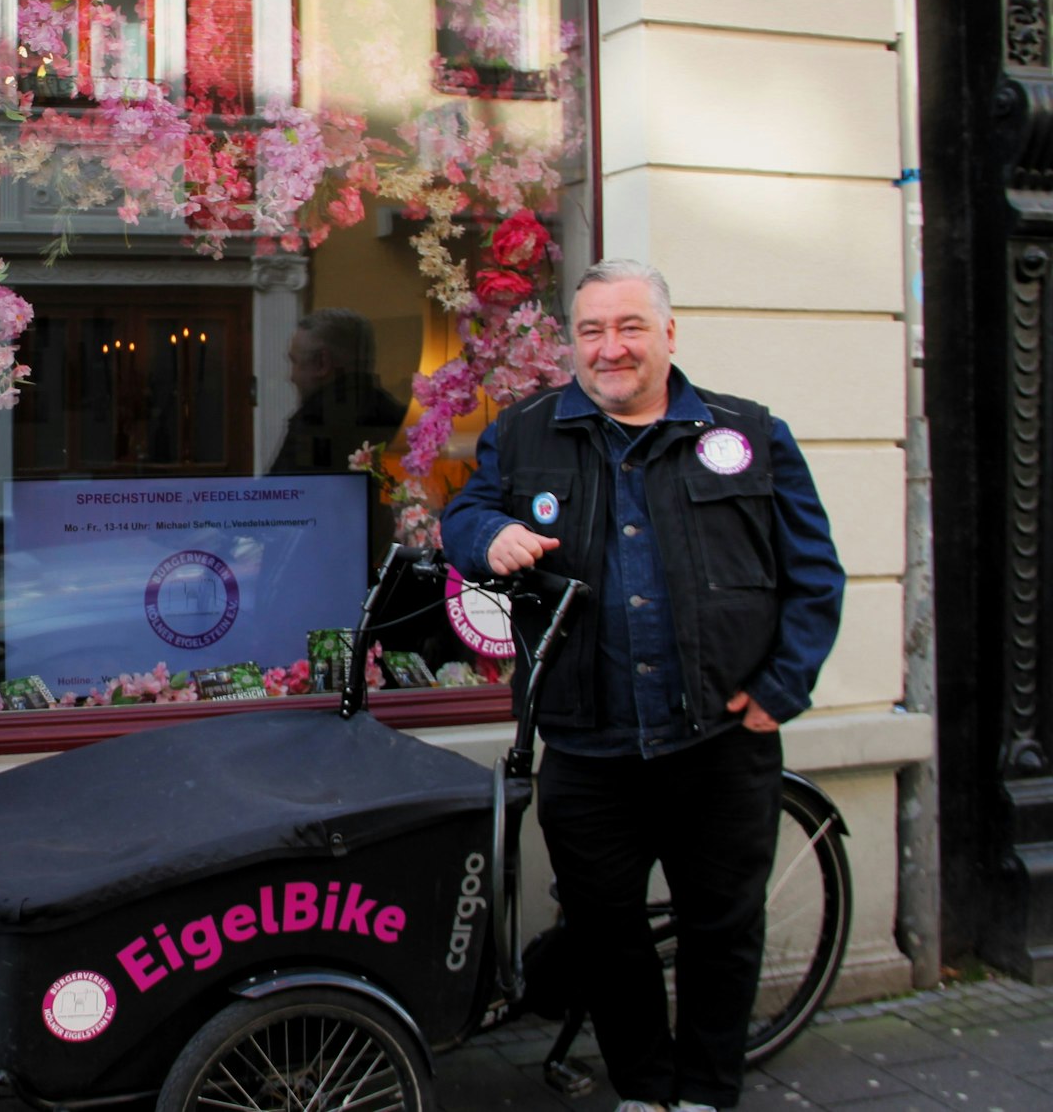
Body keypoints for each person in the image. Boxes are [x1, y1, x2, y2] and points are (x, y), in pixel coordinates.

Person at [439, 259, 843, 1112]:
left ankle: (705, 1094)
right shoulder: (524, 433)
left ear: (668, 333)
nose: (610, 347)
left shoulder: (750, 433)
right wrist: (490, 535)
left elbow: (815, 574)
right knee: (604, 931)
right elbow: (464, 516)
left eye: (629, 327)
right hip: (588, 741)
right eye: (592, 330)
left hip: (720, 738)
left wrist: (783, 687)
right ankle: (646, 1090)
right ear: (573, 341)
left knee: (721, 929)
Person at [269, 308, 407, 475]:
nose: (291, 377)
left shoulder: (314, 423)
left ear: (322, 363)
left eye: (295, 362)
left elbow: (284, 489)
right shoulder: (402, 420)